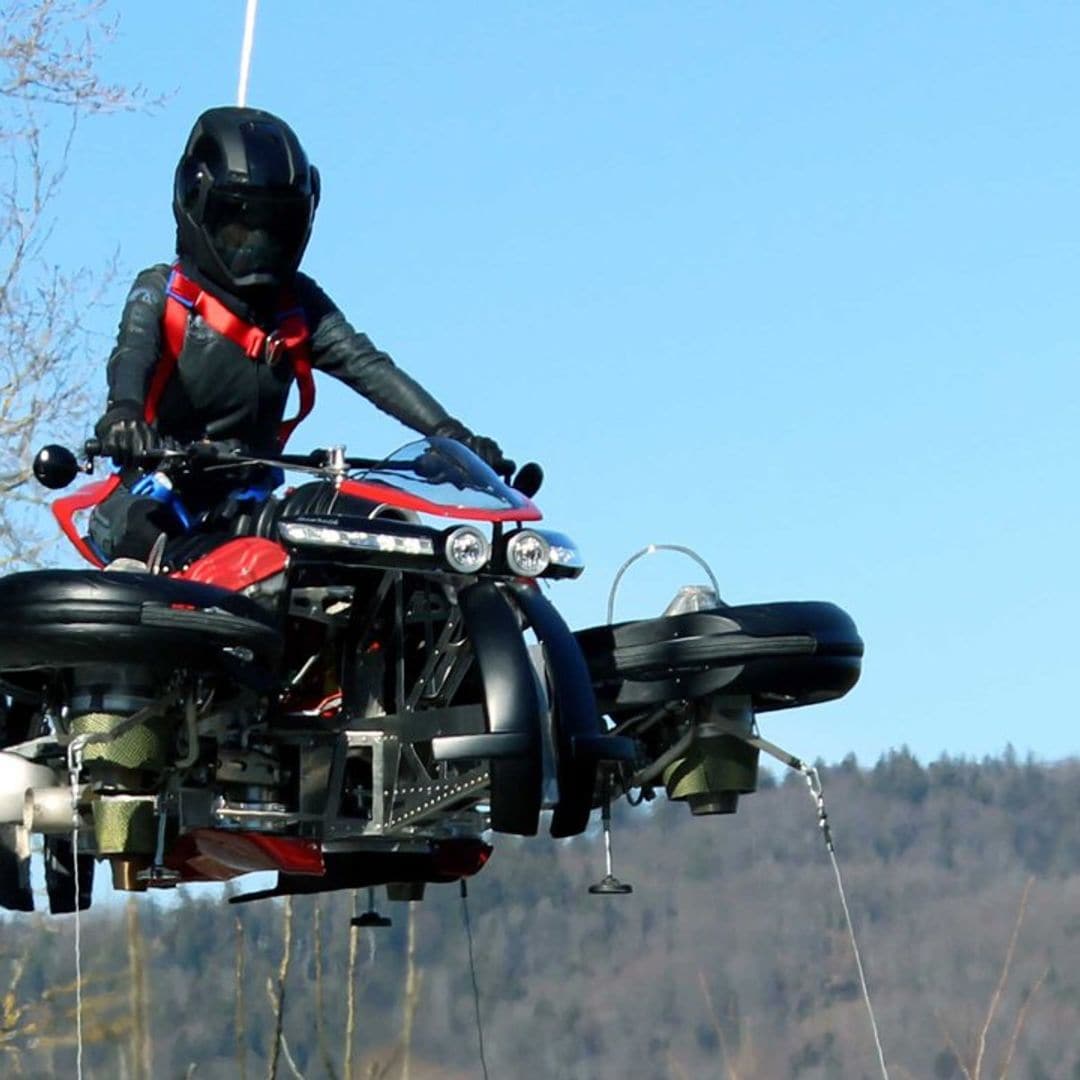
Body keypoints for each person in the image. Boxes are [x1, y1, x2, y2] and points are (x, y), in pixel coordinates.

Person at [89, 105, 513, 562]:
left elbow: (368, 367)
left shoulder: (298, 303)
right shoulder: (163, 292)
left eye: (275, 230)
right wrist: (124, 415)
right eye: (239, 230)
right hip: (152, 502)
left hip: (248, 509)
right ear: (196, 205)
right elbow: (131, 354)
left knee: (361, 527)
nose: (256, 246)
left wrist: (450, 436)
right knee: (151, 540)